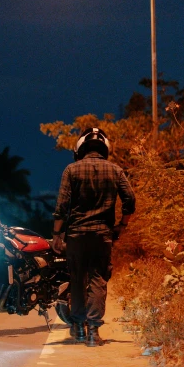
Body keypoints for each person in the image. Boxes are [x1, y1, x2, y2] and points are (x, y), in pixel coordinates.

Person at [51, 128, 136, 347]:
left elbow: (61, 206)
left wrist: (57, 235)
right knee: (98, 279)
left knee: (77, 280)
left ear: (80, 147)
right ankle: (93, 333)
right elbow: (130, 201)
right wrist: (122, 226)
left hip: (77, 235)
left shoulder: (71, 170)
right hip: (102, 235)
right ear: (105, 147)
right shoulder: (116, 170)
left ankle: (79, 328)